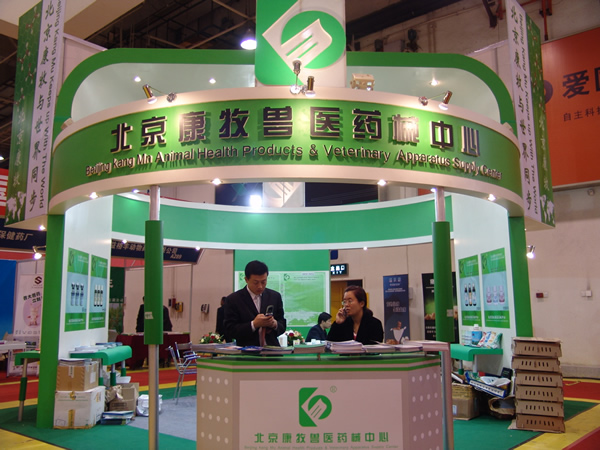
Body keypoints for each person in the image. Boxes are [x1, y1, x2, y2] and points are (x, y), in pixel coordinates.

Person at [223, 260, 286, 347]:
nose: (260, 286)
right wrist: (254, 324)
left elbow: (282, 325)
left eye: (263, 282)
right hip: (247, 352)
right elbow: (230, 330)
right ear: (246, 279)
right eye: (255, 282)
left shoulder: (275, 297)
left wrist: (274, 324)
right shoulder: (233, 299)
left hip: (272, 351)